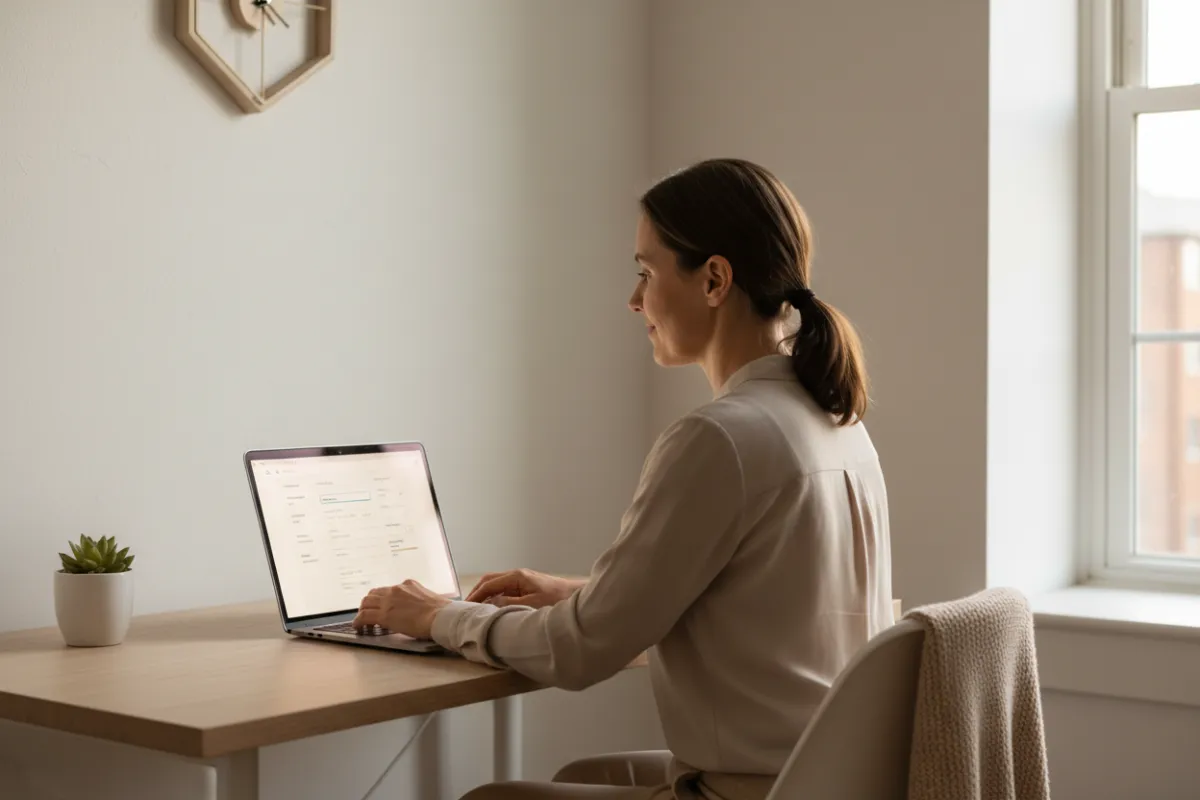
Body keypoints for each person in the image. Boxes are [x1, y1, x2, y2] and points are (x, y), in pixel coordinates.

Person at [353, 158, 894, 800]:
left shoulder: (719, 438)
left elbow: (579, 654)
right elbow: (754, 605)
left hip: (755, 792)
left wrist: (441, 616)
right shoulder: (835, 422)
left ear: (714, 279)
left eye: (646, 272)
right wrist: (582, 594)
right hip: (828, 780)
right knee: (582, 780)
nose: (635, 299)